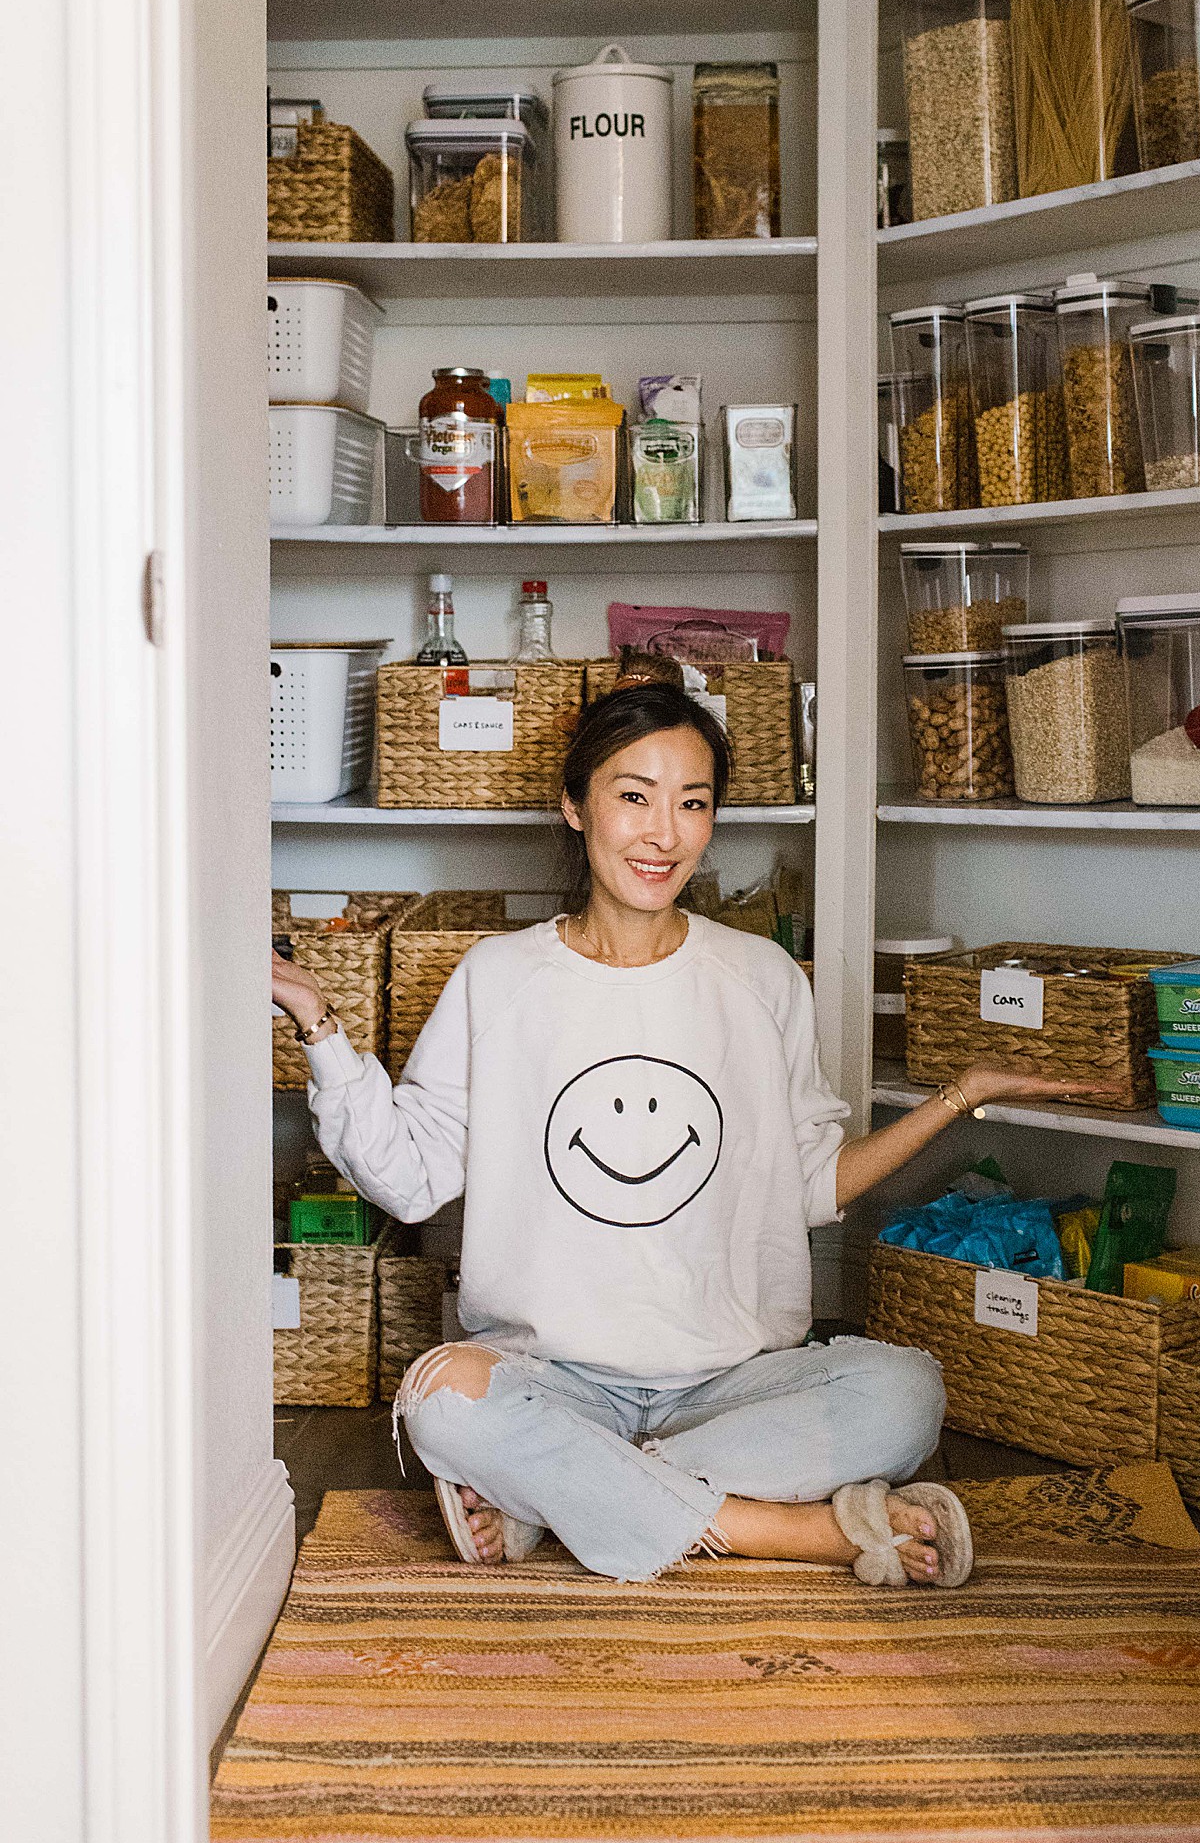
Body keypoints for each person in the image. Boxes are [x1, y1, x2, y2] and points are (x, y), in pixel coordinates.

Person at [271, 680, 1095, 1589]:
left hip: (729, 1381)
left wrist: (959, 1094)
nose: (664, 833)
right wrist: (319, 1020)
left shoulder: (761, 977)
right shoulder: (498, 977)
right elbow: (408, 1176)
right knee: (438, 1403)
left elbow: (810, 1182)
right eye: (634, 795)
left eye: (693, 803)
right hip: (554, 1373)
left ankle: (558, 1495)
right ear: (575, 805)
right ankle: (792, 1530)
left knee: (907, 1394)